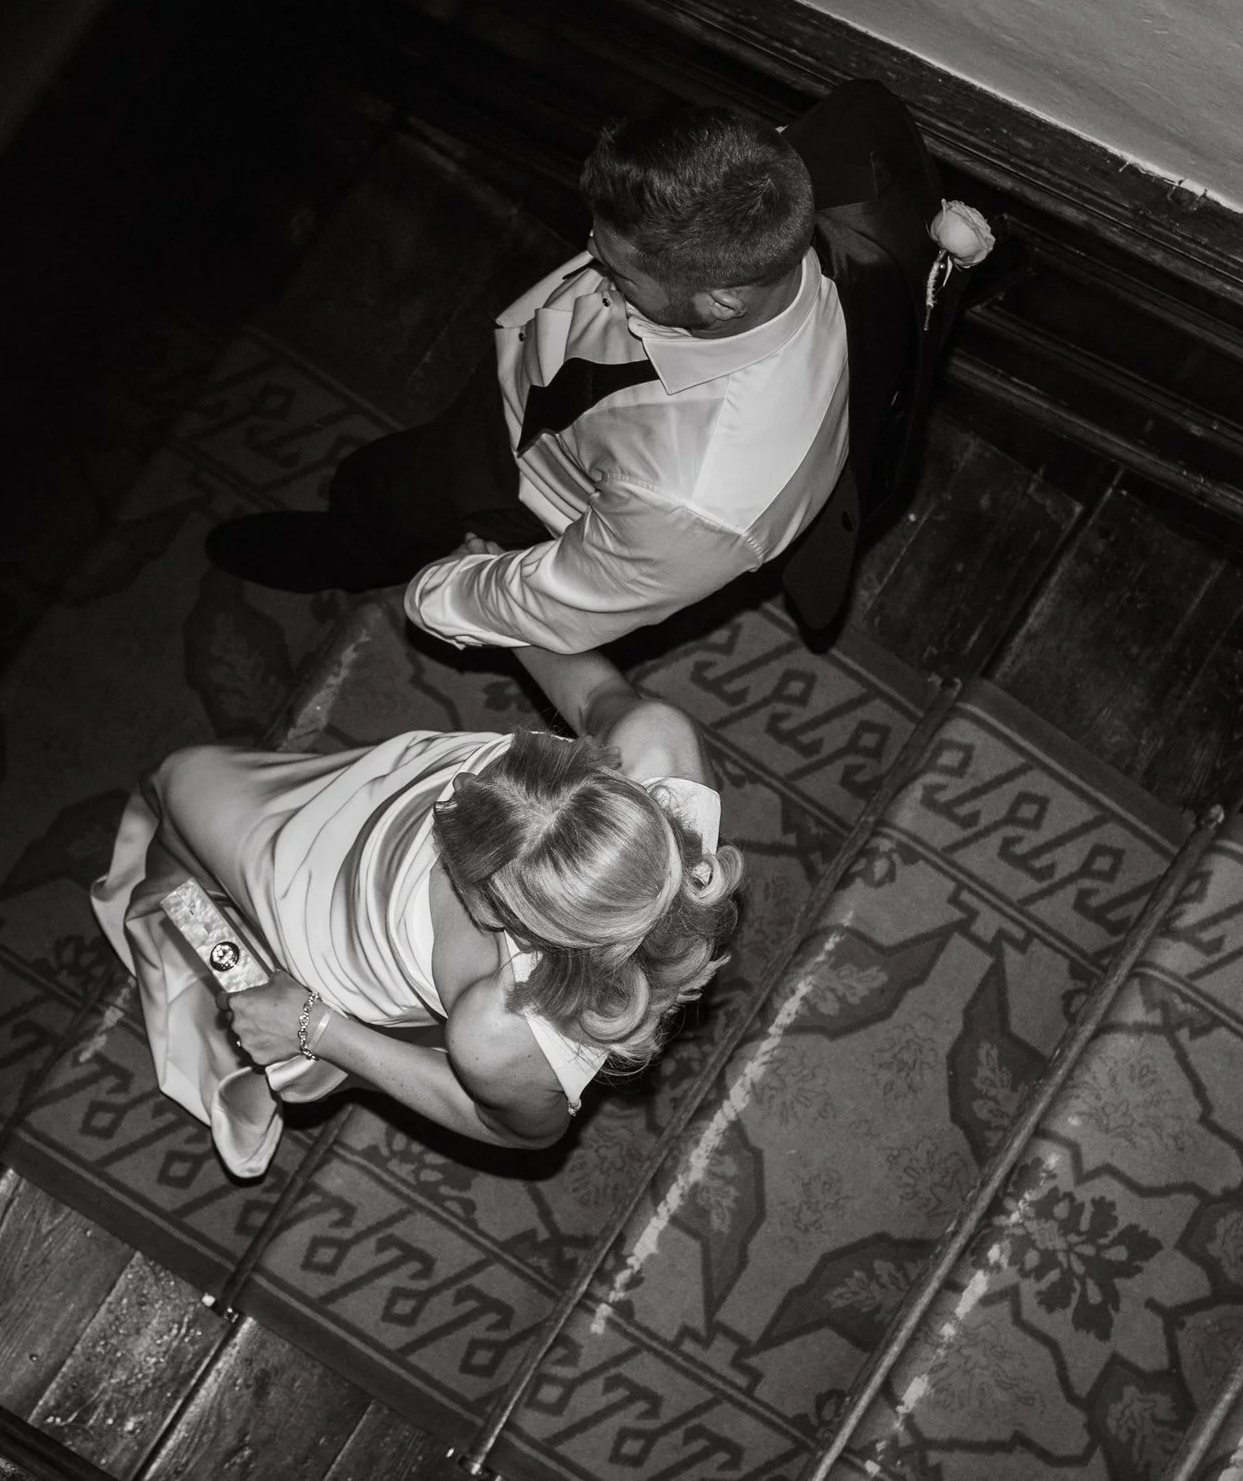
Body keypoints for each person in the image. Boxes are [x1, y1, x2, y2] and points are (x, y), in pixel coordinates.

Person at [89, 633, 745, 1175]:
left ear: (496, 914)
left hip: (334, 920)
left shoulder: (497, 1030)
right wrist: (497, 599)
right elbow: (598, 696)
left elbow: (519, 1131)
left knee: (180, 785)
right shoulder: (658, 744)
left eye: (459, 860)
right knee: (206, 817)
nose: (449, 798)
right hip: (390, 797)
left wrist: (316, 1027)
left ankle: (183, 912)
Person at [205, 104, 851, 654]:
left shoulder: (695, 502)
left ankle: (341, 552)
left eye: (618, 271)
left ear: (722, 301)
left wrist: (441, 593)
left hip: (526, 494)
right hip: (530, 395)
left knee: (382, 499)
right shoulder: (758, 193)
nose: (591, 258)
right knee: (388, 472)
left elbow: (558, 603)